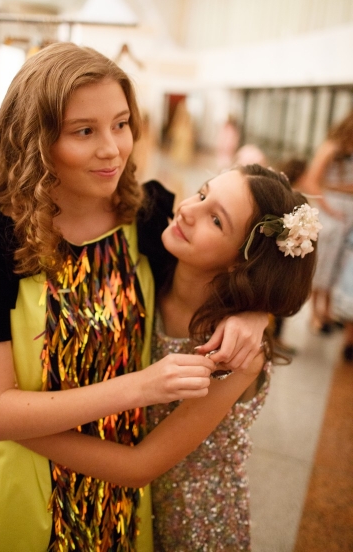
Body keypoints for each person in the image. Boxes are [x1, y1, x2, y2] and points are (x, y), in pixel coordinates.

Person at [0, 43, 267, 552]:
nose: (112, 149)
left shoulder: (146, 214)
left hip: (121, 499)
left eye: (121, 124)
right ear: (37, 139)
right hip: (31, 492)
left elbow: (233, 265)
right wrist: (141, 387)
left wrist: (257, 313)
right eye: (84, 131)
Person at [19, 164, 320, 552]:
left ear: (240, 262)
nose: (188, 210)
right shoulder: (149, 274)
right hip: (123, 511)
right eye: (202, 193)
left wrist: (17, 426)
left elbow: (139, 467)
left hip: (195, 523)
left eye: (215, 219)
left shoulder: (234, 353)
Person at [300, 112, 353, 359]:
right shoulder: (331, 147)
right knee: (323, 262)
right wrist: (330, 208)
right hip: (333, 212)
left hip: (349, 215)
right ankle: (314, 313)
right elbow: (311, 181)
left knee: (340, 265)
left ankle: (329, 310)